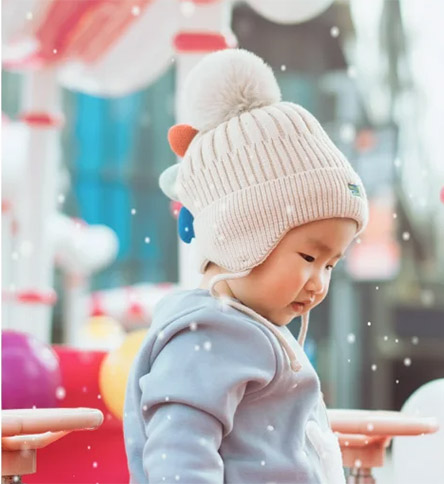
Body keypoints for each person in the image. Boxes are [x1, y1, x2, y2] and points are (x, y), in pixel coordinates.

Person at [123, 48, 369, 484]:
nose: (319, 282)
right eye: (310, 257)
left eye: (331, 265)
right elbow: (178, 455)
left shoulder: (249, 331)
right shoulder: (210, 335)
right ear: (243, 238)